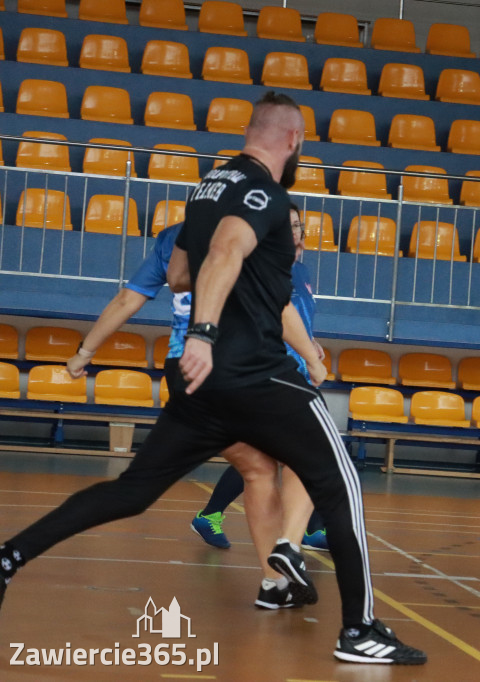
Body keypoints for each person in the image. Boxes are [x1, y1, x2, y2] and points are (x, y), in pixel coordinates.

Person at [1, 91, 426, 665]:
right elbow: (226, 251)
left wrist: (205, 319)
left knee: (132, 491)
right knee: (341, 482)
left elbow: (179, 270)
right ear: (294, 140)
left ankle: (10, 557)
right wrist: (204, 330)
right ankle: (360, 630)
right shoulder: (267, 196)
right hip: (255, 373)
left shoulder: (206, 188)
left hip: (198, 387)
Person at [65, 207, 323, 611]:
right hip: (247, 371)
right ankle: (287, 548)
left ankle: (275, 579)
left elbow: (127, 299)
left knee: (259, 471)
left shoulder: (182, 238)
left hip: (212, 372)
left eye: (295, 227)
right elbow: (276, 308)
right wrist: (310, 355)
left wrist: (85, 352)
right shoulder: (242, 240)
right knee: (298, 461)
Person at [191, 204, 329, 554]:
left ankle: (214, 515)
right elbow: (268, 317)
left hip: (296, 369)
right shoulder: (265, 267)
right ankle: (306, 530)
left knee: (272, 454)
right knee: (295, 451)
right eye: (288, 225)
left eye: (299, 225)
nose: (295, 231)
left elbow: (297, 317)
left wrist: (310, 342)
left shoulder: (301, 269)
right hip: (275, 371)